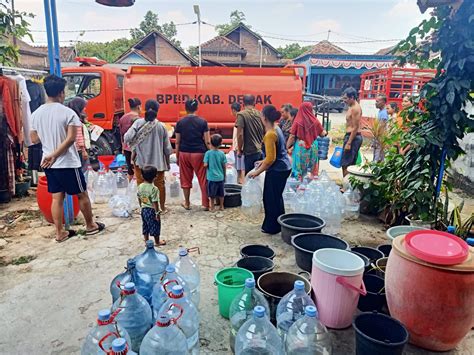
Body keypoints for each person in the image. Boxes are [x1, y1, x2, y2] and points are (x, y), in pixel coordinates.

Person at [30, 75, 104, 242]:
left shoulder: (36, 114)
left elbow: (34, 139)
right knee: (82, 194)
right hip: (68, 162)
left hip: (48, 163)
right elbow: (71, 138)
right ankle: (90, 225)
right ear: (62, 92)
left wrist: (49, 140)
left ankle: (59, 233)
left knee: (57, 198)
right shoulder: (68, 113)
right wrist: (56, 153)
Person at [248, 105, 291, 235]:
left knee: (270, 198)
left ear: (264, 117)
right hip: (284, 166)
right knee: (276, 197)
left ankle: (271, 227)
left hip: (277, 169)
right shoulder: (276, 129)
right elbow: (274, 154)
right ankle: (280, 223)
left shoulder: (270, 134)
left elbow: (271, 159)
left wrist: (257, 172)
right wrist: (263, 161)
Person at [124, 99, 171, 212]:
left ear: (144, 109)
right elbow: (167, 149)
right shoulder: (161, 126)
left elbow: (127, 138)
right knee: (159, 185)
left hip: (141, 163)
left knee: (142, 185)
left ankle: (144, 208)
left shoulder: (138, 123)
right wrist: (168, 163)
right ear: (157, 111)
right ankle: (161, 208)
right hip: (158, 163)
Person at [175, 99, 210, 210]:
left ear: (185, 109)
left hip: (184, 153)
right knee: (203, 179)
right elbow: (207, 141)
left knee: (185, 179)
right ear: (197, 108)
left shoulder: (180, 122)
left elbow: (177, 141)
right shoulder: (203, 122)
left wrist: (177, 155)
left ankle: (187, 203)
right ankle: (205, 204)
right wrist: (210, 153)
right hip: (199, 153)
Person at [286, 102, 327, 180]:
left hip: (301, 146)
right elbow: (322, 134)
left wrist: (286, 147)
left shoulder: (298, 121)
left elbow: (292, 136)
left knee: (299, 168)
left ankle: (299, 186)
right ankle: (311, 185)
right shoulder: (315, 121)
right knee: (312, 168)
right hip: (313, 145)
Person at [236, 94, 265, 174]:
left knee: (250, 178)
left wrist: (239, 149)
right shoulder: (260, 114)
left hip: (249, 152)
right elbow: (265, 130)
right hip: (260, 151)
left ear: (243, 104)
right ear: (254, 103)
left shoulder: (241, 115)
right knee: (259, 176)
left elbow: (240, 135)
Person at [137, 165, 165, 246]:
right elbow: (155, 202)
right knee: (155, 225)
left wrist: (141, 207)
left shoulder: (140, 186)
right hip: (151, 210)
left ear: (142, 176)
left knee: (145, 225)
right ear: (155, 176)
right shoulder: (154, 189)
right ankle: (157, 242)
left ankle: (146, 241)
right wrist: (157, 213)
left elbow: (138, 196)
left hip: (144, 209)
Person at [341, 87, 363, 177]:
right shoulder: (351, 107)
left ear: (352, 97)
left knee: (347, 164)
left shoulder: (355, 108)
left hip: (353, 137)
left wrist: (349, 143)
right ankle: (346, 185)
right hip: (350, 136)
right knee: (345, 163)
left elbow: (355, 127)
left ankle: (346, 186)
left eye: (346, 98)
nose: (344, 100)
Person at [119, 98, 141, 179]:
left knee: (130, 169)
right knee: (138, 169)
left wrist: (122, 148)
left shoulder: (122, 118)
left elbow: (121, 134)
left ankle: (130, 187)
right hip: (135, 149)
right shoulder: (138, 120)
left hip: (126, 148)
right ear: (138, 107)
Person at [204, 134, 227, 211]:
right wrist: (224, 175)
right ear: (221, 143)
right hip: (220, 177)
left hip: (211, 177)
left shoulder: (208, 153)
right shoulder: (222, 154)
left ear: (210, 142)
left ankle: (212, 207)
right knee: (221, 193)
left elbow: (205, 165)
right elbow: (224, 166)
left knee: (212, 194)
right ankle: (221, 206)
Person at [67, 97, 90, 171]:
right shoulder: (76, 120)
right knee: (83, 170)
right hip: (79, 150)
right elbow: (78, 137)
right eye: (84, 107)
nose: (85, 109)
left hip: (72, 149)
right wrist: (83, 151)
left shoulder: (70, 117)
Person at [230, 102, 245, 184]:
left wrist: (238, 148)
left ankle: (241, 182)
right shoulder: (239, 118)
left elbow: (239, 135)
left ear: (233, 110)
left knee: (241, 167)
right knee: (238, 166)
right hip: (238, 147)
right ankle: (239, 181)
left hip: (239, 147)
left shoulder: (239, 119)